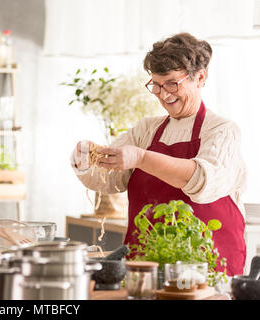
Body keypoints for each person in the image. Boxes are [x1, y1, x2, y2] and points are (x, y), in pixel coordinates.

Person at [71, 33, 247, 276]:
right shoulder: (146, 129)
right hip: (146, 268)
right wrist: (85, 161)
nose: (164, 95)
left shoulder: (221, 131)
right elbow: (109, 180)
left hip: (205, 273)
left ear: (200, 77)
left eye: (172, 83)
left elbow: (202, 181)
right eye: (156, 85)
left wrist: (142, 158)